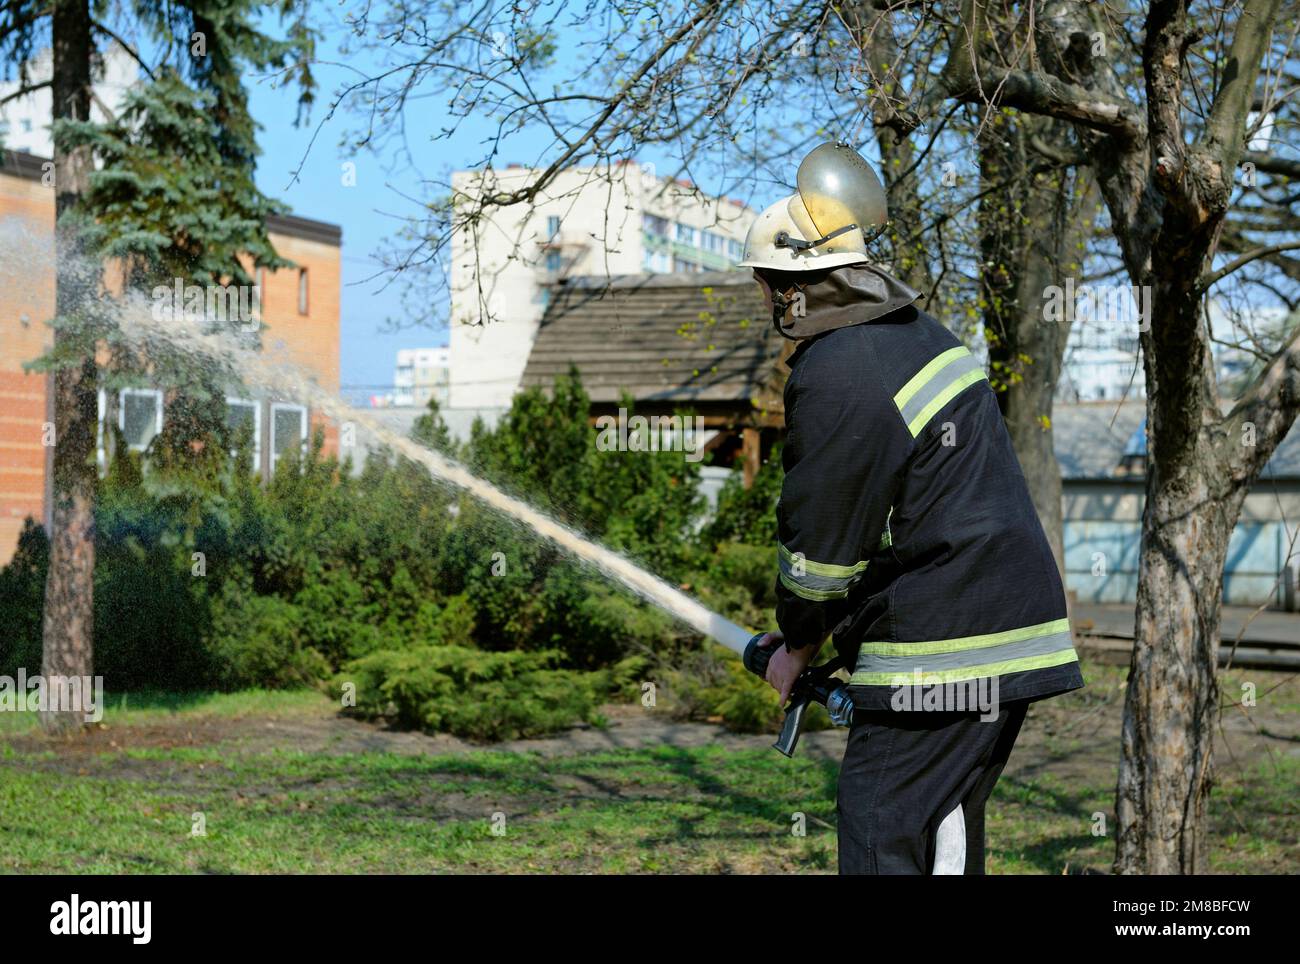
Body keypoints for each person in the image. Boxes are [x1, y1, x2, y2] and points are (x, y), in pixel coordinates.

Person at [737, 142, 1084, 875]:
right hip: (1000, 629)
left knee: (880, 831)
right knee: (944, 828)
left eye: (770, 285)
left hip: (945, 651)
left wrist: (796, 643)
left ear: (797, 289)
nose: (769, 302)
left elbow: (823, 547)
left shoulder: (840, 371)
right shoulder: (915, 337)